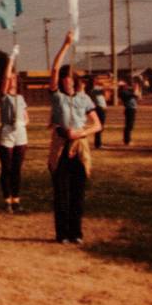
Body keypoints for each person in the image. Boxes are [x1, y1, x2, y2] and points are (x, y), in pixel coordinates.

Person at [49, 31, 102, 244]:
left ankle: (76, 232)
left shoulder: (84, 98)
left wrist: (80, 133)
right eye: (64, 79)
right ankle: (62, 233)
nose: (67, 81)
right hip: (61, 146)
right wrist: (66, 45)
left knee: (77, 193)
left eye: (70, 78)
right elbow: (53, 69)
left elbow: (97, 125)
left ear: (76, 80)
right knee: (61, 193)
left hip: (79, 147)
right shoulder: (57, 98)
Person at [0, 46, 29, 213]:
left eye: (15, 78)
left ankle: (16, 200)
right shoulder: (4, 96)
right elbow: (5, 76)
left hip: (20, 133)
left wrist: (23, 122)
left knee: (17, 168)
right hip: (7, 132)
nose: (12, 79)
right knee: (7, 167)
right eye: (11, 78)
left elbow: (26, 116)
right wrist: (12, 58)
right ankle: (7, 199)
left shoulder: (21, 98)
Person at [87, 77, 107, 149]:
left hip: (102, 109)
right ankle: (98, 144)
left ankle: (98, 143)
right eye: (95, 81)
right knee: (99, 127)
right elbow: (103, 90)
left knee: (101, 127)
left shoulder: (96, 88)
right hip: (99, 109)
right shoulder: (93, 90)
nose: (96, 82)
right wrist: (103, 83)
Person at [118, 79, 138, 146]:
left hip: (131, 109)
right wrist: (135, 88)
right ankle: (127, 140)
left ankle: (127, 140)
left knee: (130, 125)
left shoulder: (126, 91)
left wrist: (134, 87)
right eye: (125, 85)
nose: (126, 86)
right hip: (129, 109)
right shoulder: (123, 92)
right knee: (128, 126)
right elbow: (134, 95)